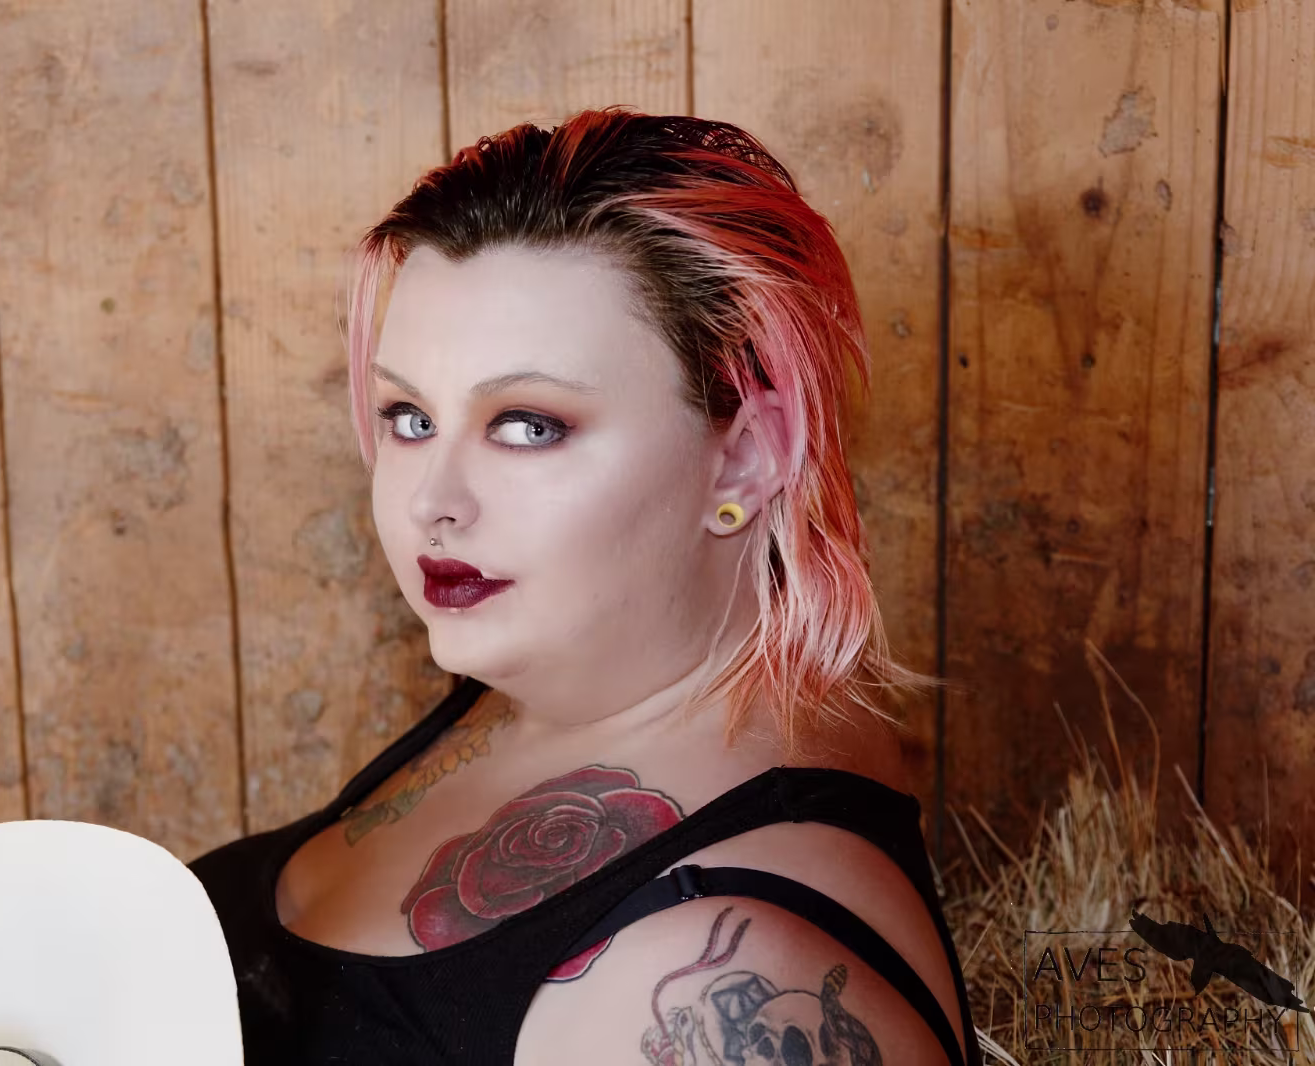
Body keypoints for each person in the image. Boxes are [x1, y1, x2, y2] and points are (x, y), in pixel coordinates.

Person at [188, 106, 982, 1066]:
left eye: (529, 425)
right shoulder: (570, 672)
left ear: (742, 459)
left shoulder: (715, 985)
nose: (432, 501)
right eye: (408, 417)